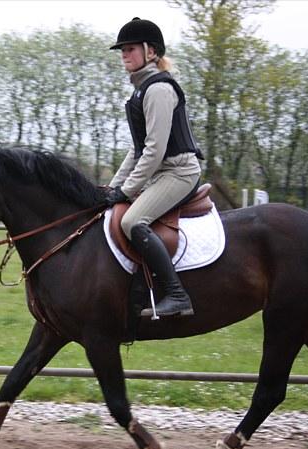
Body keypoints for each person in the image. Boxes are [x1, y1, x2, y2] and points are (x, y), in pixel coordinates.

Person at [104, 17, 204, 318]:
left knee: (132, 221)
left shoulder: (159, 89)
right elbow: (136, 150)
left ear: (151, 52)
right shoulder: (140, 91)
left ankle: (177, 295)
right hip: (160, 172)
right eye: (122, 50)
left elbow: (155, 151)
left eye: (130, 49)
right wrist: (112, 188)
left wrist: (126, 190)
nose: (124, 55)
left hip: (179, 172)